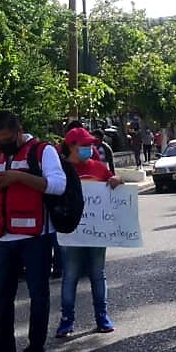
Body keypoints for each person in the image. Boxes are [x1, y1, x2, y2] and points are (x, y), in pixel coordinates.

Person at [0, 111, 68, 352]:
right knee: (1, 296)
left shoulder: (42, 151)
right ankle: (3, 348)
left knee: (38, 295)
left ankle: (35, 351)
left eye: (6, 139)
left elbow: (58, 185)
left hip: (37, 237)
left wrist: (19, 177)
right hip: (5, 236)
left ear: (18, 131)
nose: (2, 144)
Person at [56, 127, 123, 338]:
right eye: (84, 145)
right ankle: (67, 320)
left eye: (90, 144)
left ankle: (102, 317)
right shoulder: (60, 169)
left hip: (96, 233)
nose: (89, 148)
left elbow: (115, 183)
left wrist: (116, 180)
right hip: (70, 234)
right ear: (72, 146)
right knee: (70, 276)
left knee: (97, 274)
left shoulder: (98, 168)